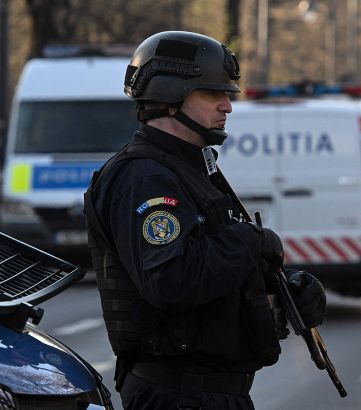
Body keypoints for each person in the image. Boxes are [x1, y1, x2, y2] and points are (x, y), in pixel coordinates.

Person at [84, 31, 327, 410]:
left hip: (209, 393)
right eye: (213, 94)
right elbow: (171, 280)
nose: (227, 106)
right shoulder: (145, 178)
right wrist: (251, 241)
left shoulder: (191, 169)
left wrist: (284, 292)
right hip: (179, 394)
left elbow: (214, 271)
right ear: (169, 97)